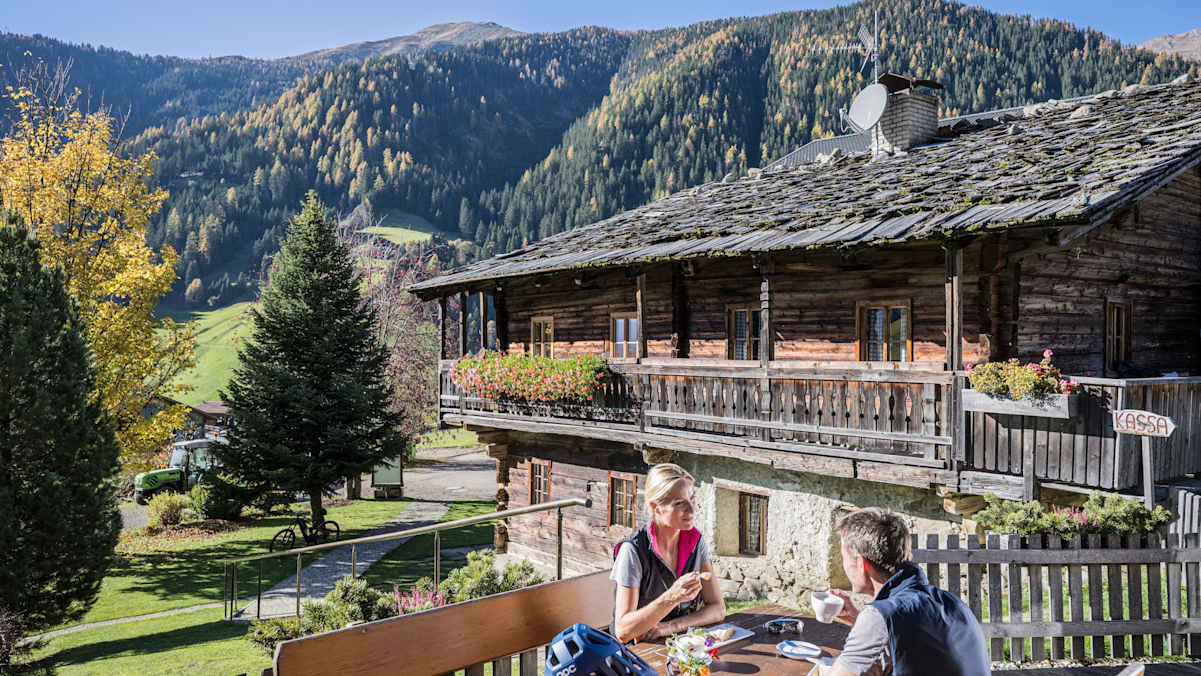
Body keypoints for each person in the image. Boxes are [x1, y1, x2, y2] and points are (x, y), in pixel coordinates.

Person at [821, 508, 989, 676]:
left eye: (844, 558)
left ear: (861, 563)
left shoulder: (879, 617)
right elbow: (918, 649)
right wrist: (857, 619)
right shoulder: (952, 603)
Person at [610, 463, 724, 643]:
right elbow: (623, 631)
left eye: (692, 499)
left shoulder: (695, 542)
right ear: (656, 507)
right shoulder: (633, 551)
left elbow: (718, 609)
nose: (692, 510)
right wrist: (672, 597)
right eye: (680, 504)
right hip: (637, 655)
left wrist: (670, 627)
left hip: (682, 646)